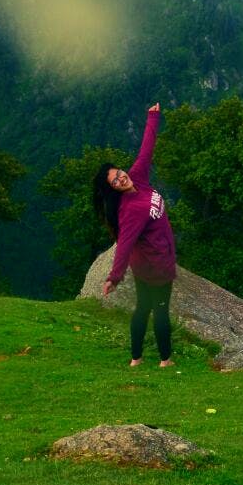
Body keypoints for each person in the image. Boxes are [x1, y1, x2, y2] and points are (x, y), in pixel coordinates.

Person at [93, 103, 177, 368]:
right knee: (159, 311)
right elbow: (124, 244)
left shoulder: (138, 177)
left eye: (119, 174)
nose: (121, 179)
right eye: (115, 181)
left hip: (150, 262)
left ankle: (136, 358)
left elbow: (147, 149)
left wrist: (153, 117)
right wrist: (114, 277)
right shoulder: (129, 210)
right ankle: (165, 360)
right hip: (156, 265)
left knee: (142, 308)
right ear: (113, 190)